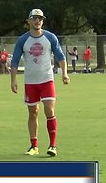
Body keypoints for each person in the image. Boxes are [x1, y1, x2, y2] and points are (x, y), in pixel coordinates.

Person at [10, 8, 70, 156]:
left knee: (49, 110)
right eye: (35, 18)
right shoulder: (23, 40)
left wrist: (64, 74)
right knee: (33, 112)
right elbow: (15, 61)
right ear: (29, 21)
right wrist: (13, 80)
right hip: (30, 82)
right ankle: (34, 146)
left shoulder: (50, 37)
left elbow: (61, 57)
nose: (38, 21)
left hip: (46, 80)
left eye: (40, 18)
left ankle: (52, 145)